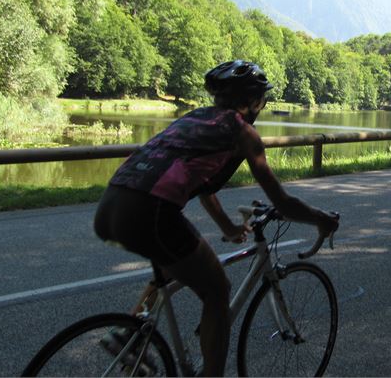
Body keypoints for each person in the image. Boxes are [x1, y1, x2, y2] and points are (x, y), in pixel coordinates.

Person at [94, 60, 339, 376]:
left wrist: (227, 226)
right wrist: (320, 218)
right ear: (251, 101)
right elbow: (282, 201)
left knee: (172, 266)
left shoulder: (195, 119)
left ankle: (128, 336)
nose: (262, 107)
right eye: (262, 100)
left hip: (112, 204)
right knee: (217, 289)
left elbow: (204, 187)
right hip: (150, 211)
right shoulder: (242, 132)